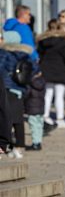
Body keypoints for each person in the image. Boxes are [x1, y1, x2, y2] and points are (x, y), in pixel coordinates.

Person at [0, 31, 34, 159]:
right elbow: (34, 69)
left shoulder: (4, 53)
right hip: (20, 89)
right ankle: (19, 146)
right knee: (19, 120)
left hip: (7, 88)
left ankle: (5, 145)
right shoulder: (25, 54)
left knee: (5, 116)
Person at [37, 19, 65, 128]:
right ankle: (60, 118)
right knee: (59, 96)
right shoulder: (63, 40)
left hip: (46, 69)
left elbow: (40, 55)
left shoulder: (43, 40)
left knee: (47, 95)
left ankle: (45, 116)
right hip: (60, 69)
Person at [24, 73, 45, 151]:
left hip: (32, 108)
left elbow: (26, 94)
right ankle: (38, 142)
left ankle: (35, 143)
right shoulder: (42, 82)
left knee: (33, 126)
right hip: (41, 108)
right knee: (39, 126)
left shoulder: (30, 83)